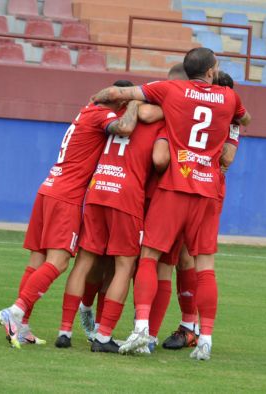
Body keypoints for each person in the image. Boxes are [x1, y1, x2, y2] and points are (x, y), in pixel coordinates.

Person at [91, 47, 251, 360]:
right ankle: (204, 337)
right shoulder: (229, 98)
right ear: (210, 71)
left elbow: (119, 93)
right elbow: (245, 119)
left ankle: (142, 331)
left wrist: (96, 99)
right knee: (202, 265)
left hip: (175, 186)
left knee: (150, 257)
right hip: (207, 191)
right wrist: (230, 122)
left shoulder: (173, 90)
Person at [0, 80, 142, 349]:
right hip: (67, 197)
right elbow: (125, 127)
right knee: (60, 262)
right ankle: (15, 311)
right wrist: (134, 102)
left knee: (37, 260)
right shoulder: (103, 115)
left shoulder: (87, 109)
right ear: (119, 101)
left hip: (48, 187)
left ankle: (23, 324)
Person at [54, 102, 166, 353]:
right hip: (126, 197)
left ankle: (65, 330)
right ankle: (104, 337)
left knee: (84, 261)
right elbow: (160, 160)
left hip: (98, 187)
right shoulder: (160, 123)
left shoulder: (118, 120)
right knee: (124, 267)